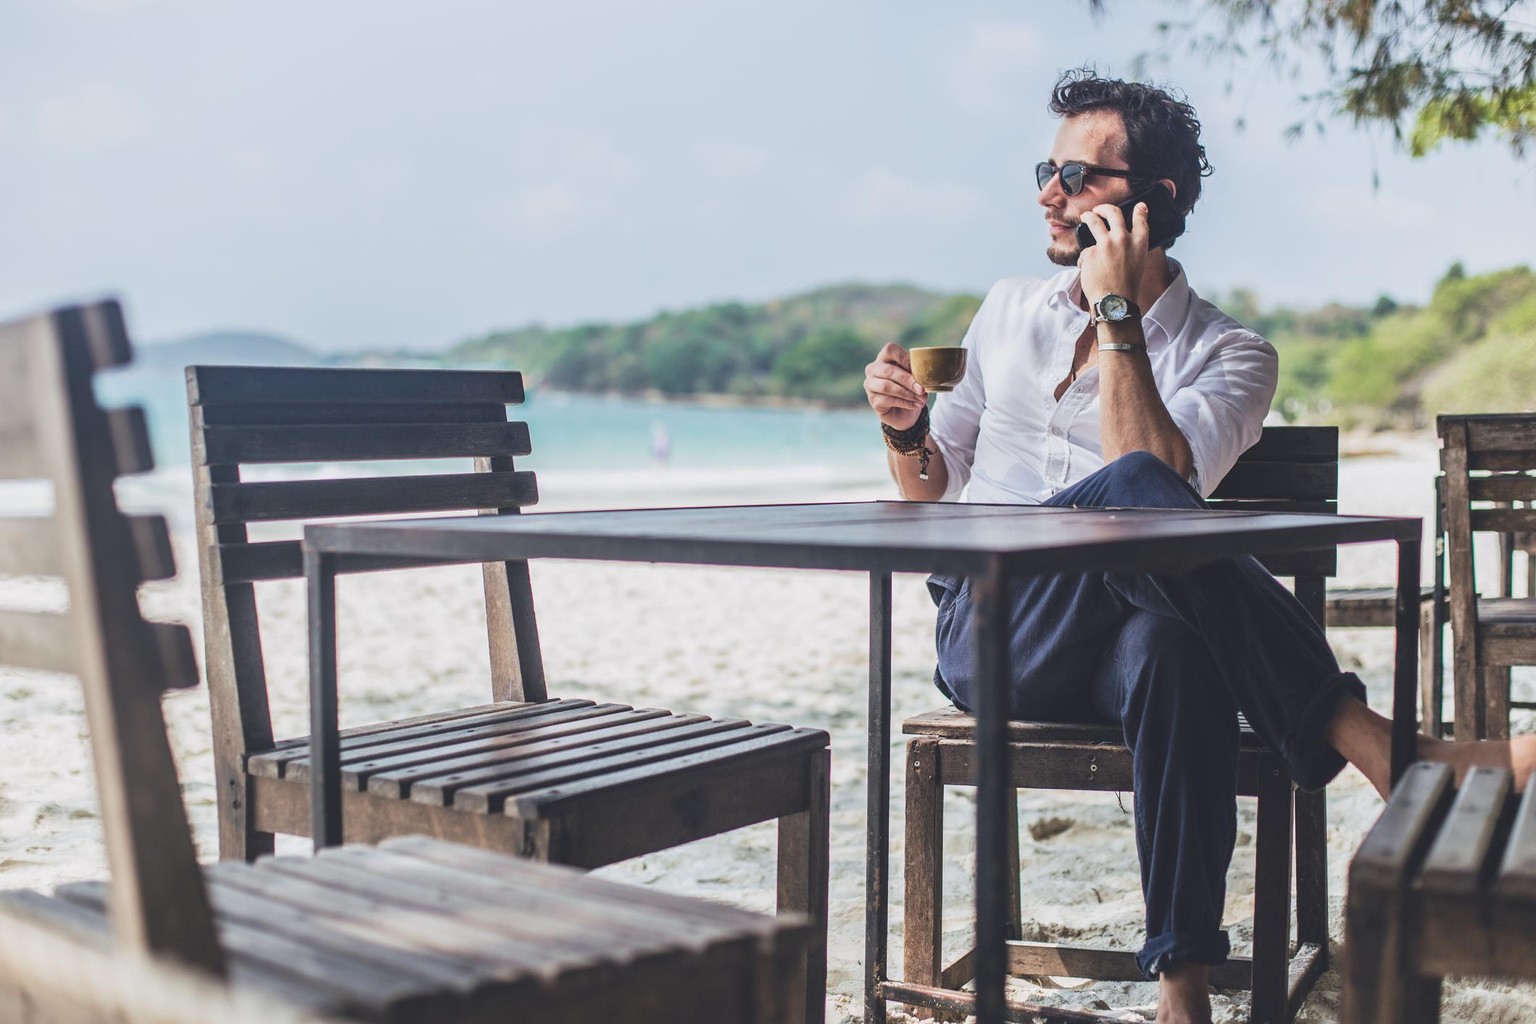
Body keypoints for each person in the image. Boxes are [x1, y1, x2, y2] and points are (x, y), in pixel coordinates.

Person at [862, 68, 1536, 1024]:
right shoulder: (1007, 309)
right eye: (1045, 170)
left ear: (1155, 199)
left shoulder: (1233, 355)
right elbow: (930, 488)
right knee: (1147, 503)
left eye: (1078, 176)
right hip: (996, 625)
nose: (1050, 193)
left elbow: (1152, 476)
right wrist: (903, 431)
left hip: (1124, 639)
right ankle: (1376, 742)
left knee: (1172, 637)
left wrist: (1118, 315)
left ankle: (1183, 990)